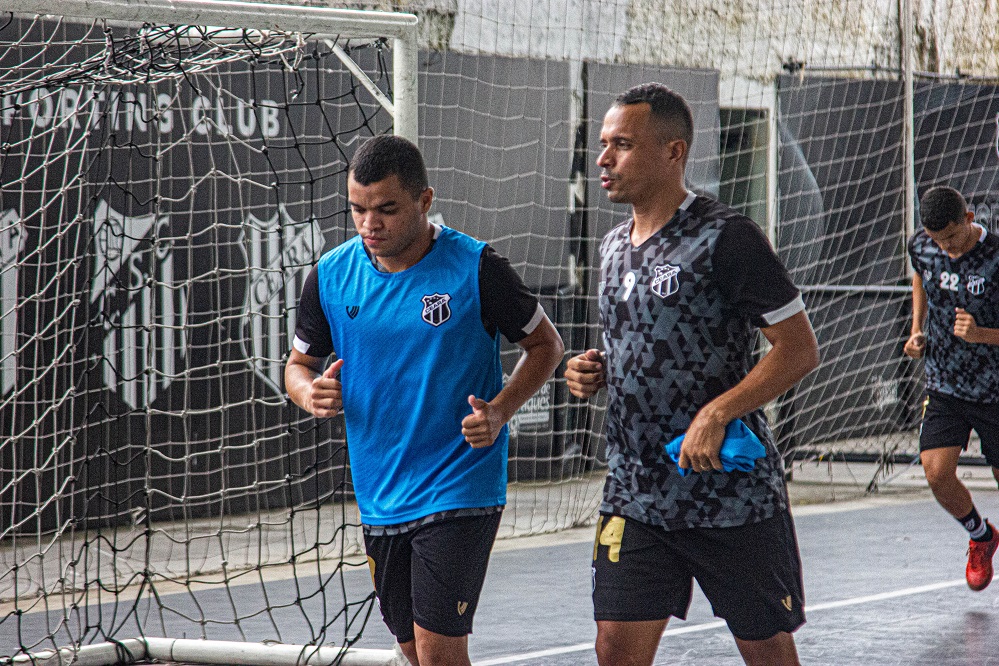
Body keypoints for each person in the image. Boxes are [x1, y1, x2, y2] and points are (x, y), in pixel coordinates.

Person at [564, 83, 819, 666]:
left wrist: (717, 411)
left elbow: (799, 349)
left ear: (673, 151)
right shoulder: (610, 248)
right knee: (615, 648)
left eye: (622, 145)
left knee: (767, 650)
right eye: (603, 145)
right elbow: (639, 343)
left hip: (725, 497)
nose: (603, 159)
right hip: (635, 493)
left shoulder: (726, 237)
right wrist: (594, 370)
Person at [284, 134, 564, 666]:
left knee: (438, 651)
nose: (370, 224)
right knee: (412, 650)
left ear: (424, 200)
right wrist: (310, 392)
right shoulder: (330, 276)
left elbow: (546, 345)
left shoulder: (476, 266)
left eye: (386, 209)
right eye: (358, 210)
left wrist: (501, 411)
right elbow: (298, 366)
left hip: (459, 485)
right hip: (380, 493)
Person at [904, 185, 999, 591]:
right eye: (939, 241)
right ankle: (981, 536)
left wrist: (982, 335)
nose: (948, 249)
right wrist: (916, 329)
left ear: (970, 218)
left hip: (995, 389)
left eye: (954, 238)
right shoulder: (923, 248)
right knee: (936, 472)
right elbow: (921, 277)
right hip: (945, 383)